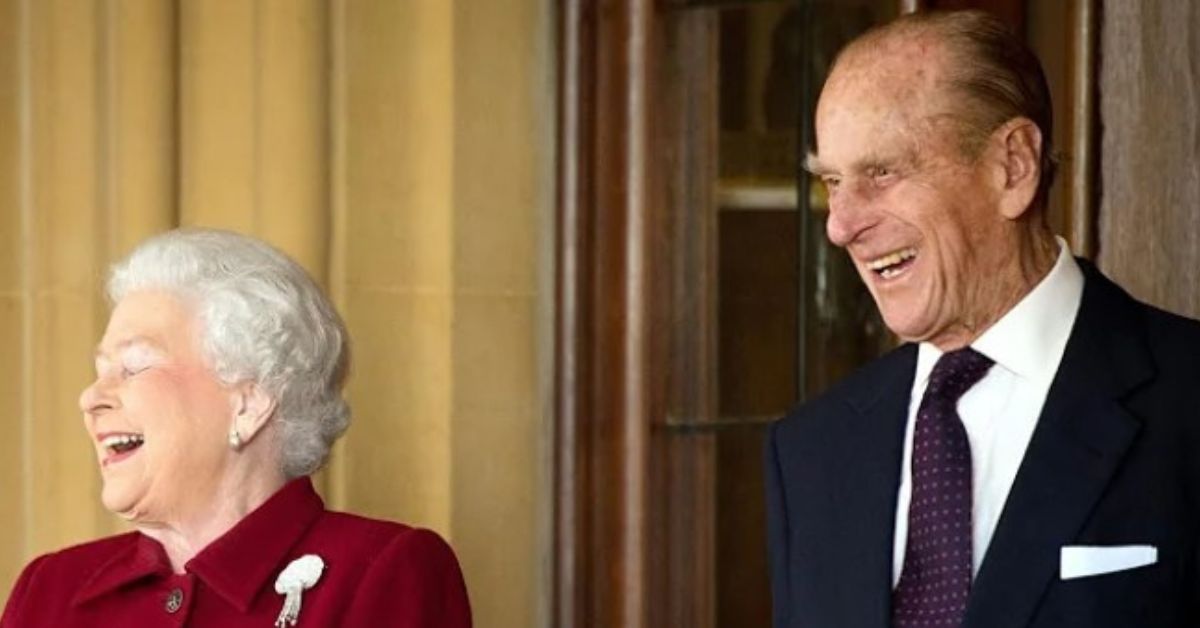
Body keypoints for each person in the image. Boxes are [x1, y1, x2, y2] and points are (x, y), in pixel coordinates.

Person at [765, 10, 1200, 628]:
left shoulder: (1185, 400)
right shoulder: (810, 452)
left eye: (882, 172)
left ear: (1013, 166)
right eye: (833, 180)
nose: (840, 225)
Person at [0, 228, 472, 627]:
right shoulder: (50, 590)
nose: (90, 398)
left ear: (249, 403)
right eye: (99, 370)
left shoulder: (382, 570)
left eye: (134, 366)